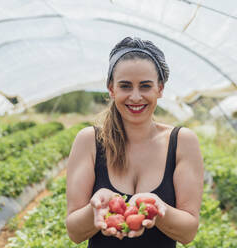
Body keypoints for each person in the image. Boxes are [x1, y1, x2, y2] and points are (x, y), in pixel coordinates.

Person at [65, 37, 204, 248]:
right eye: (126, 86)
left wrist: (157, 208)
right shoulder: (89, 141)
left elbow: (188, 232)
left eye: (145, 86)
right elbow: (75, 232)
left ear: (160, 88)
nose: (136, 96)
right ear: (112, 89)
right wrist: (95, 209)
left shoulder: (182, 142)